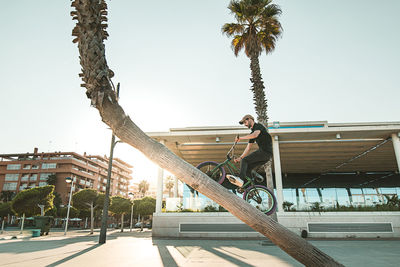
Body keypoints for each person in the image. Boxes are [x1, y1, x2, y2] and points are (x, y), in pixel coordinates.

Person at [226, 114, 273, 187]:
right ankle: (250, 188)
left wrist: (240, 138)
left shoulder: (258, 126)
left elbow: (255, 135)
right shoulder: (252, 133)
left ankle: (240, 179)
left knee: (245, 160)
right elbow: (248, 148)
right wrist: (240, 158)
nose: (245, 125)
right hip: (266, 156)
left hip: (265, 152)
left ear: (249, 119)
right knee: (247, 168)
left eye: (245, 122)